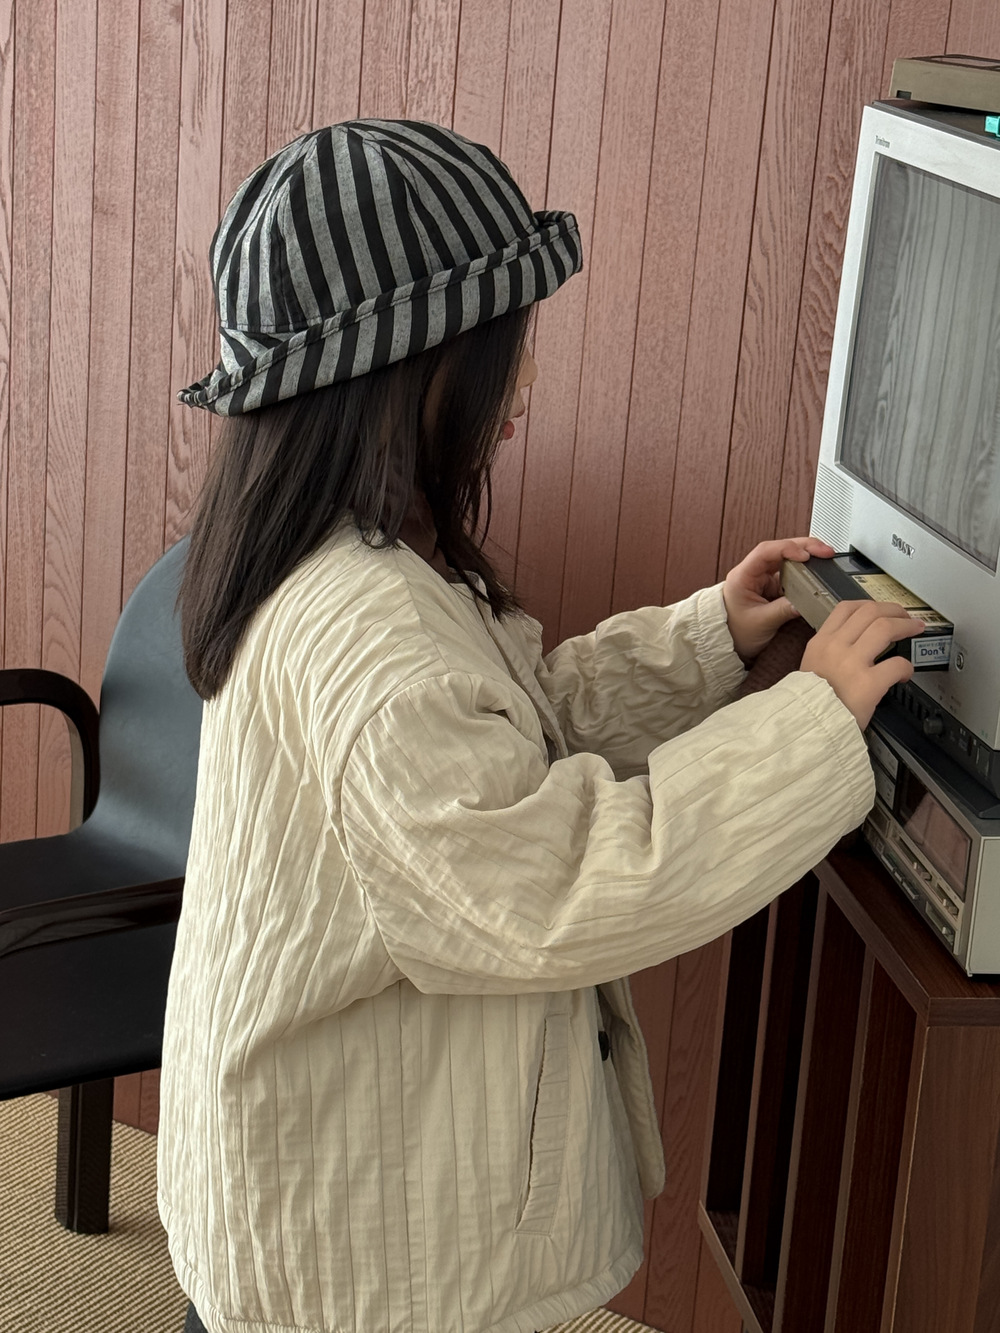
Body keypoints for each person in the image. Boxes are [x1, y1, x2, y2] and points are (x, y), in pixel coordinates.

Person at [157, 120, 921, 1333]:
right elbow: (556, 887)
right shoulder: (371, 632)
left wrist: (710, 636)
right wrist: (812, 724)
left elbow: (506, 733)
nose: (519, 394)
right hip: (353, 1249)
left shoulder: (337, 561)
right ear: (409, 374)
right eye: (502, 357)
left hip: (313, 1166)